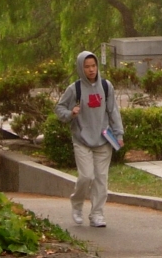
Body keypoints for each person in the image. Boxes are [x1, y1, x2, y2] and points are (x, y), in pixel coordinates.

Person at [54, 51, 124, 228]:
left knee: (101, 179)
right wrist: (70, 113)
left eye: (93, 66)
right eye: (87, 67)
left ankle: (97, 214)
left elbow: (113, 111)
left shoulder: (106, 86)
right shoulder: (74, 89)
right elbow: (59, 109)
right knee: (86, 177)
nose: (91, 70)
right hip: (82, 139)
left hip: (104, 139)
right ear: (80, 68)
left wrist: (119, 134)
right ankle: (77, 205)